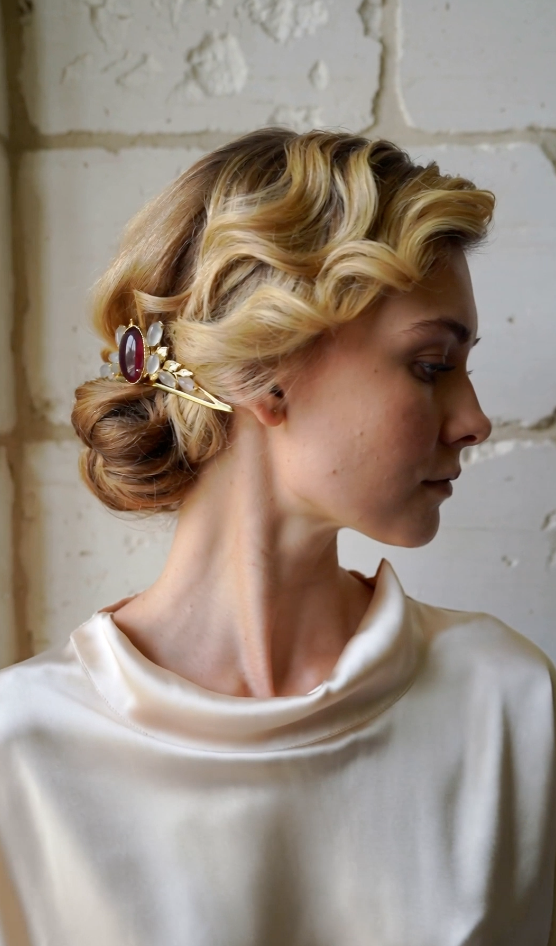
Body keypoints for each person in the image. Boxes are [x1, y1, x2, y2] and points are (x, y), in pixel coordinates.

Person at [0, 128, 554, 946]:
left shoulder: (512, 710)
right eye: (433, 365)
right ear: (270, 372)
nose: (474, 422)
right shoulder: (22, 756)